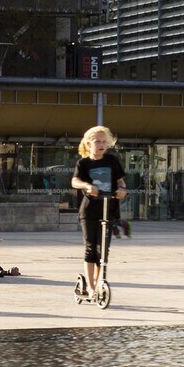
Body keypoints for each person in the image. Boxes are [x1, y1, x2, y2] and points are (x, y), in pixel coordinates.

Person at [72, 125, 126, 296]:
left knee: (102, 250)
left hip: (108, 209)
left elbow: (120, 182)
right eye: (97, 141)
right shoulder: (83, 163)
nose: (101, 145)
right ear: (89, 143)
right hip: (89, 211)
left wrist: (123, 190)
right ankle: (90, 285)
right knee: (90, 247)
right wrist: (87, 186)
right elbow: (75, 181)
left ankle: (98, 282)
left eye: (104, 141)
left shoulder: (112, 161)